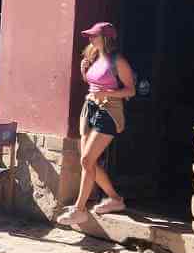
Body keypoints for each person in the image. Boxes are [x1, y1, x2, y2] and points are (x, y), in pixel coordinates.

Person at [57, 22, 136, 226]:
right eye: (90, 36)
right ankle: (115, 200)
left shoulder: (118, 61)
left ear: (106, 38)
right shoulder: (93, 56)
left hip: (109, 111)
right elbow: (95, 84)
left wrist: (107, 94)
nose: (90, 39)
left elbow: (130, 90)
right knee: (87, 161)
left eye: (95, 36)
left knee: (86, 159)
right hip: (90, 108)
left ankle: (79, 209)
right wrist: (85, 73)